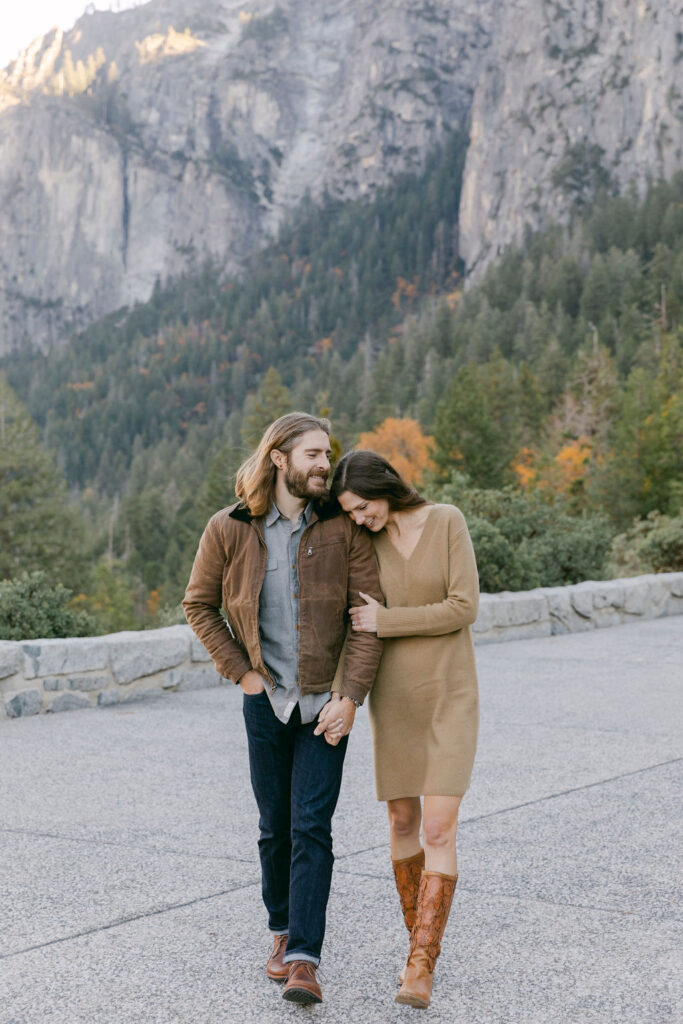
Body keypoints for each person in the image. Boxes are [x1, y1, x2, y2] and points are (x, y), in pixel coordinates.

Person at [183, 414, 383, 1006]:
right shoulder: (228, 528)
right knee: (274, 826)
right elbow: (198, 605)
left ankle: (303, 957)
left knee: (311, 826)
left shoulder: (344, 530)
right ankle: (279, 929)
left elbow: (368, 620)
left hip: (328, 706)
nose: (325, 464)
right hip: (265, 702)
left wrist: (350, 698)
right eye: (314, 455)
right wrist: (242, 674)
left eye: (328, 454)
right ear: (279, 458)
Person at [330, 449, 479, 1010]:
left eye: (363, 505)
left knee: (439, 828)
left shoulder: (446, 521)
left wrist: (388, 620)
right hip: (393, 697)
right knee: (401, 818)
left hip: (450, 694)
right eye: (349, 511)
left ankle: (421, 966)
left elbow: (463, 607)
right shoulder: (362, 544)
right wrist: (345, 697)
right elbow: (355, 626)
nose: (359, 517)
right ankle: (416, 942)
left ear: (384, 487)